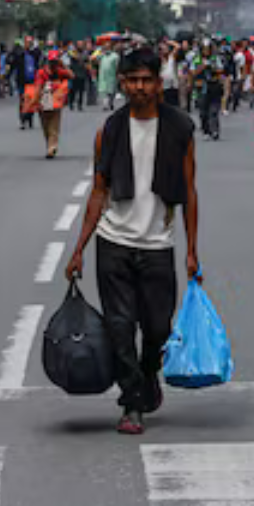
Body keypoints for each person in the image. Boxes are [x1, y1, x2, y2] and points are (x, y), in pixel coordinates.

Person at [64, 46, 200, 436]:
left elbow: (190, 191)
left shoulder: (181, 128)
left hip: (159, 244)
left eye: (147, 80)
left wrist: (191, 250)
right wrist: (79, 248)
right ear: (122, 83)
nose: (139, 87)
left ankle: (148, 373)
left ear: (159, 83)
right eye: (132, 80)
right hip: (114, 242)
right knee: (120, 327)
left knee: (157, 328)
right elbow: (99, 191)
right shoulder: (108, 130)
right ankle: (131, 403)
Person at [35, 50, 74, 159]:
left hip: (56, 101)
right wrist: (35, 101)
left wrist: (63, 65)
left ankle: (52, 147)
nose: (54, 64)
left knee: (54, 125)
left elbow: (72, 75)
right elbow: (38, 87)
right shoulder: (41, 72)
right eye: (52, 61)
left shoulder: (59, 71)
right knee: (45, 126)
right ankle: (50, 145)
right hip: (44, 101)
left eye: (55, 61)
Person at [191, 42, 224, 140]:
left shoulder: (215, 58)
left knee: (214, 110)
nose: (206, 51)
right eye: (204, 49)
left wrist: (213, 68)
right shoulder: (196, 59)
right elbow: (192, 72)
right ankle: (206, 130)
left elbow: (221, 70)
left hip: (214, 86)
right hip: (201, 87)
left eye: (208, 49)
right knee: (203, 112)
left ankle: (215, 131)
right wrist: (202, 67)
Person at [98, 43, 121, 110]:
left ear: (111, 48)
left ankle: (110, 103)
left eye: (108, 47)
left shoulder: (115, 56)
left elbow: (117, 66)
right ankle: (105, 105)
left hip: (112, 76)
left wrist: (118, 74)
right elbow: (95, 60)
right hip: (102, 76)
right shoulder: (102, 55)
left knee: (111, 92)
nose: (106, 49)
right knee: (104, 91)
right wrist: (99, 52)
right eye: (105, 47)